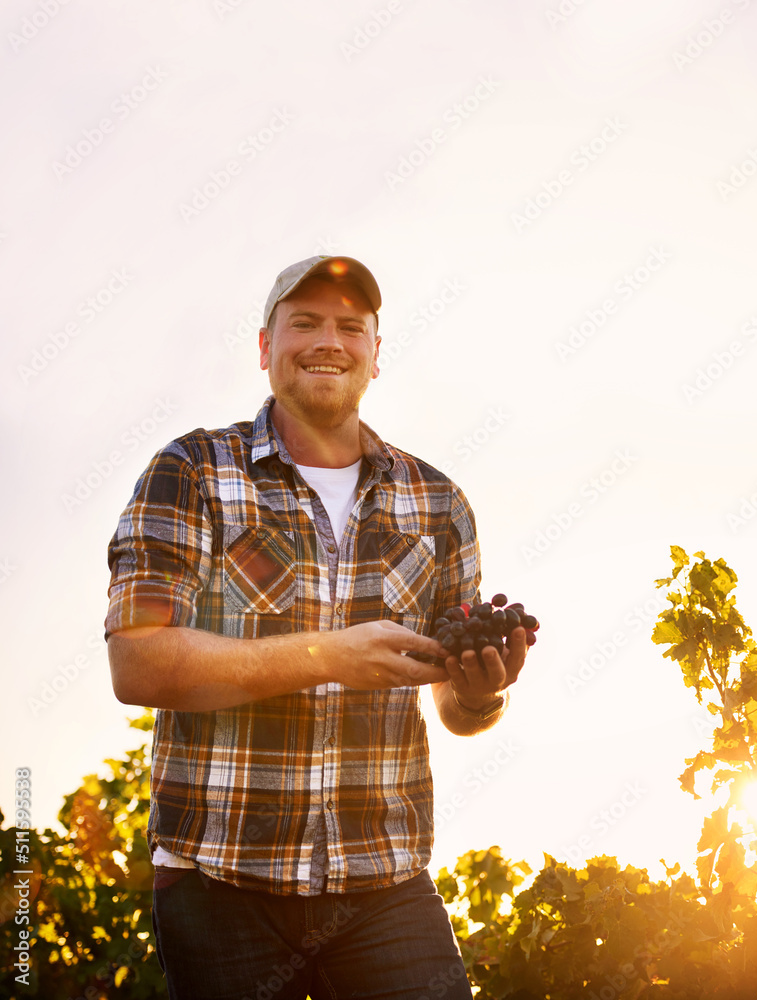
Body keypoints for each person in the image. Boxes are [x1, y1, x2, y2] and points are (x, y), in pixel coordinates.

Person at [105, 254, 529, 1000]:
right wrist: (328, 655)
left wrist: (480, 694)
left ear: (373, 352)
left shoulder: (437, 503)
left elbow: (454, 713)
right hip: (218, 882)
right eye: (303, 322)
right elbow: (137, 667)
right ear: (266, 347)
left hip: (385, 883)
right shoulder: (193, 471)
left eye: (349, 326)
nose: (327, 340)